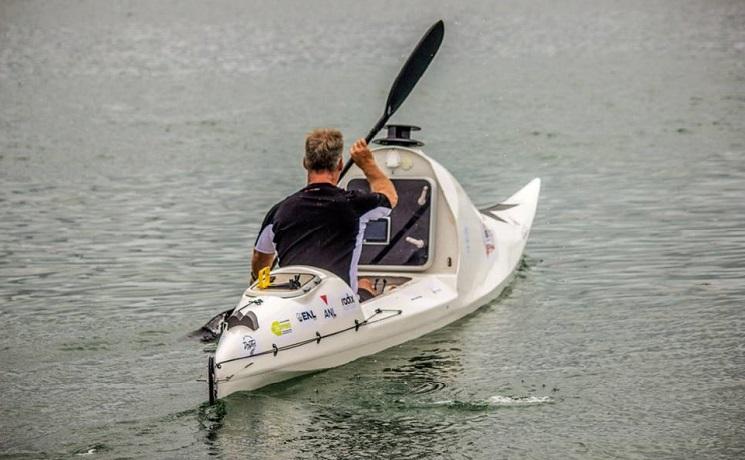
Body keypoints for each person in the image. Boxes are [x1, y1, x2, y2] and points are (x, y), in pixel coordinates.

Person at [251, 128, 398, 301]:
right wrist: (367, 164)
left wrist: (258, 285)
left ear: (305, 163)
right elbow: (390, 197)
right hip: (338, 307)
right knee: (365, 284)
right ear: (340, 164)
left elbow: (260, 258)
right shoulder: (355, 204)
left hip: (292, 303)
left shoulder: (279, 211)